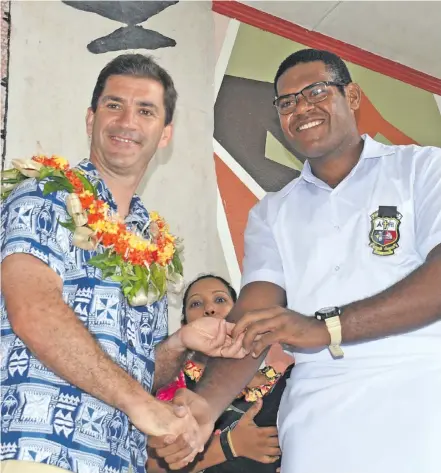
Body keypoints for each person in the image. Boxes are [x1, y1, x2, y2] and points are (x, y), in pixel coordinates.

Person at [150, 49, 441, 473]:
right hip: (317, 420)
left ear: (353, 96)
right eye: (286, 102)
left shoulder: (422, 168)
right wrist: (203, 408)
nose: (301, 108)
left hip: (419, 399)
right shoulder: (272, 212)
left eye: (316, 92)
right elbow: (254, 319)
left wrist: (326, 328)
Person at [0, 54, 246, 473]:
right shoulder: (44, 195)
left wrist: (181, 341)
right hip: (36, 446)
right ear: (90, 118)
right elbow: (33, 311)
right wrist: (140, 405)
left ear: (165, 133)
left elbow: (140, 374)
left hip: (118, 460)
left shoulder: (149, 243)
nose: (127, 121)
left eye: (145, 110)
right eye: (114, 105)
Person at [148, 274, 293, 473]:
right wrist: (229, 445)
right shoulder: (173, 388)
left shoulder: (281, 383)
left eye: (220, 300)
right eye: (196, 304)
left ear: (242, 315)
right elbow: (153, 466)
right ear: (184, 326)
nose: (210, 309)